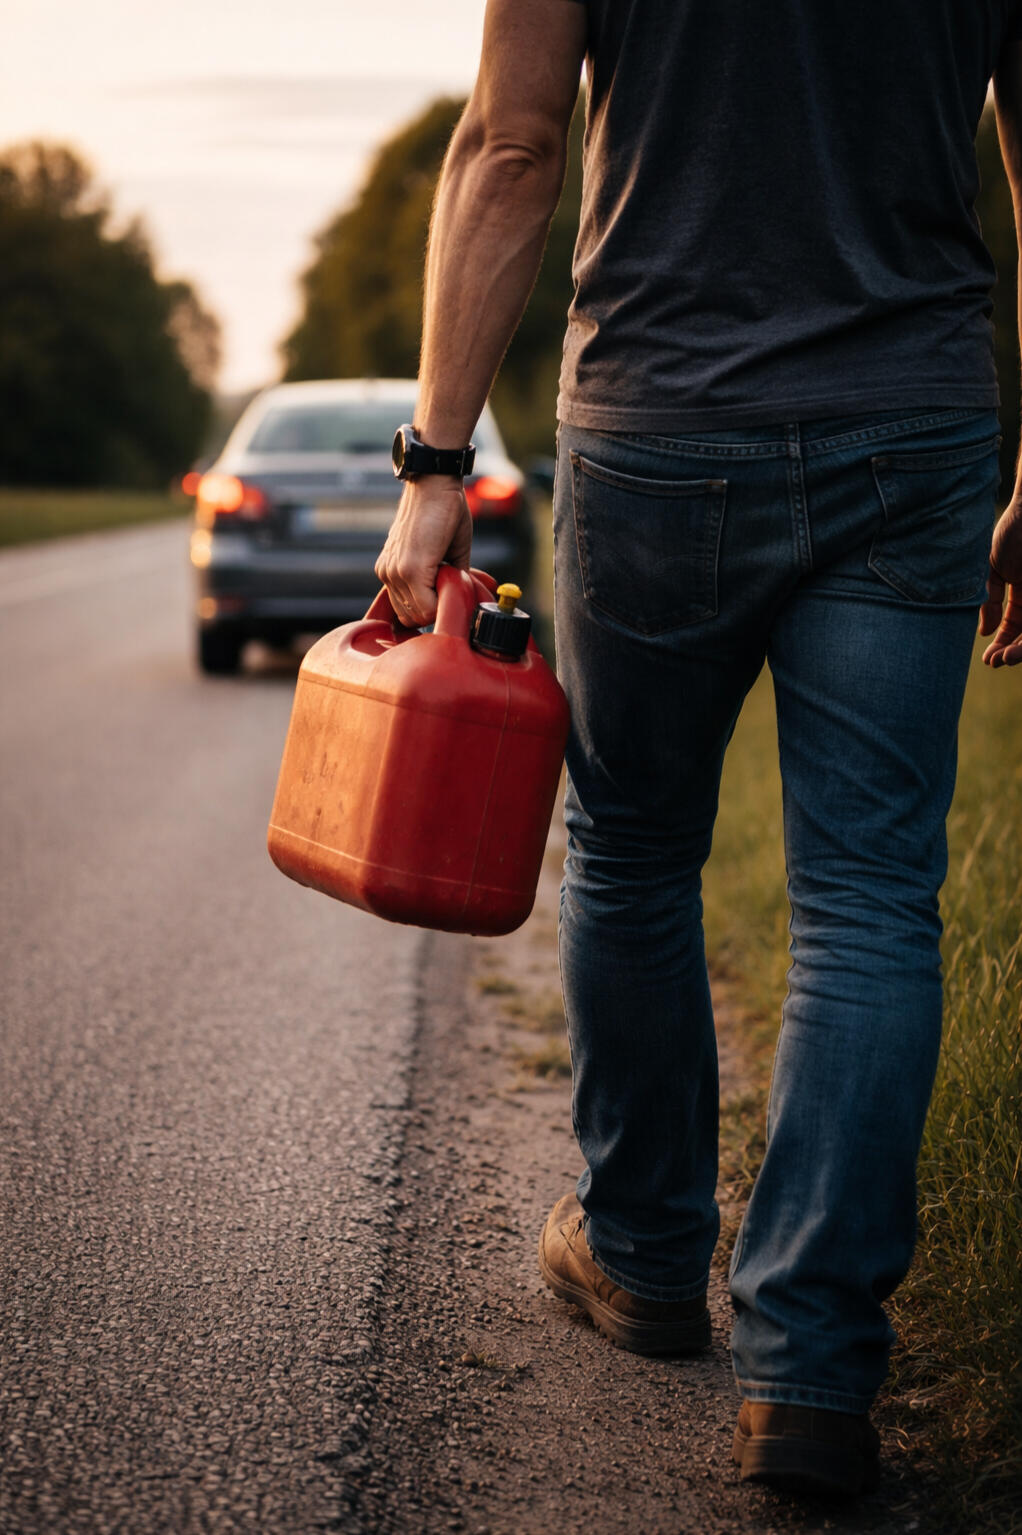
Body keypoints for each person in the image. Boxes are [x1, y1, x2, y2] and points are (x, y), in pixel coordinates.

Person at [377, 0, 1022, 1498]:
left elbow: (509, 142)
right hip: (909, 424)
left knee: (632, 846)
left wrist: (432, 467)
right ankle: (808, 1370)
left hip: (660, 418)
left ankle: (647, 1252)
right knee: (868, 902)